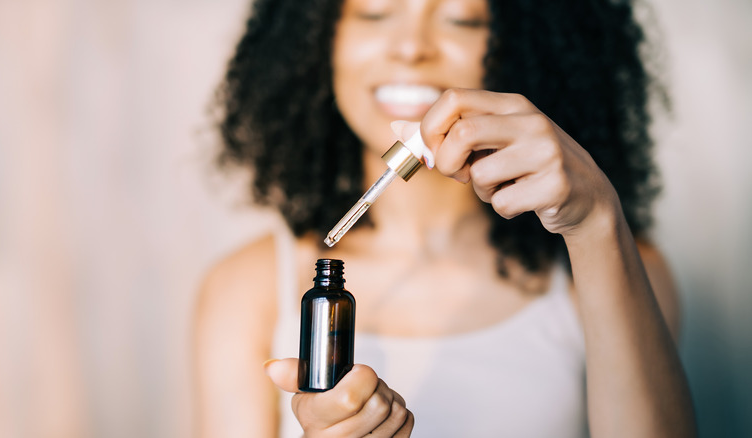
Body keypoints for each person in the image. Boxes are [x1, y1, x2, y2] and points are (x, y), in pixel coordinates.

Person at [194, 0, 696, 436]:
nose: (411, 47)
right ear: (316, 40)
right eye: (373, 12)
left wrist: (594, 221)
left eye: (462, 19)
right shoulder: (248, 287)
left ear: (525, 46)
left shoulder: (617, 264)